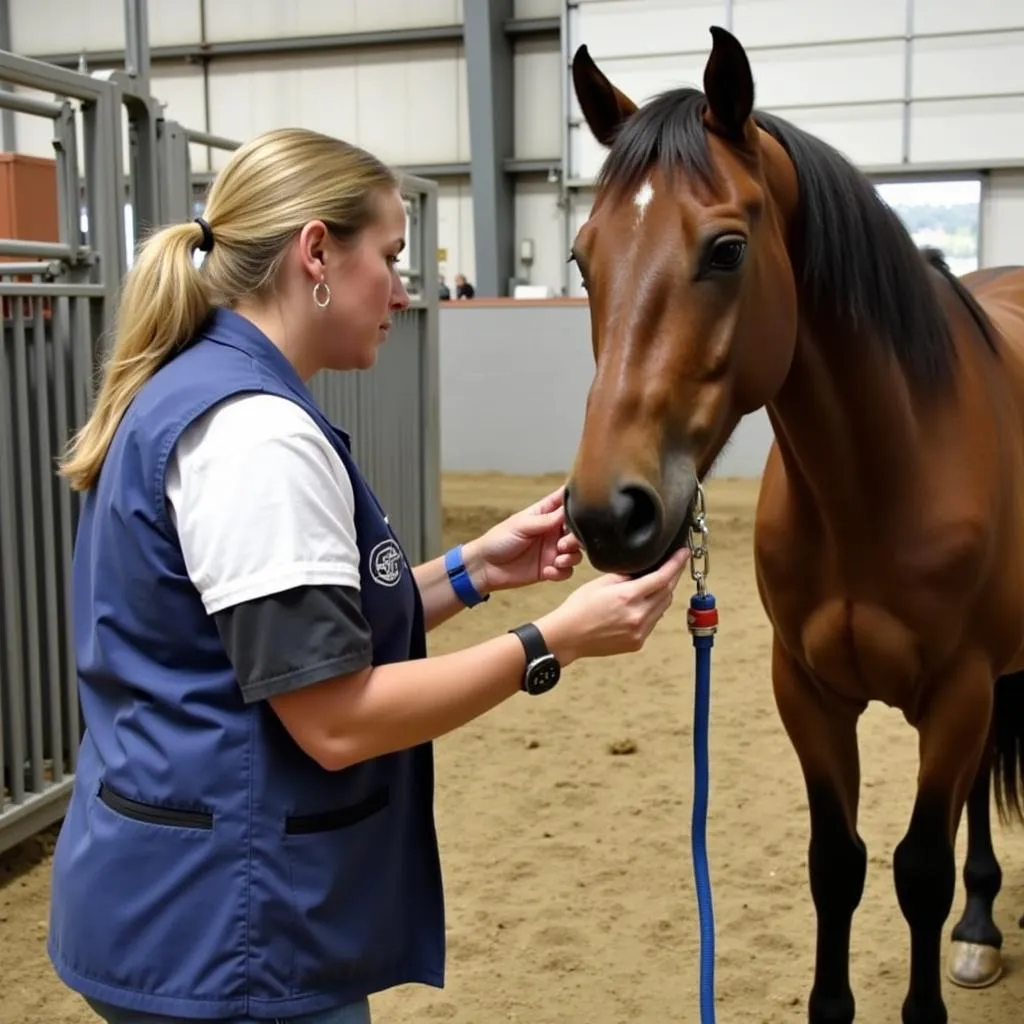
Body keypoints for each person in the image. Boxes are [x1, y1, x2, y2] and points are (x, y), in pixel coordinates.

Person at [47, 126, 690, 1024]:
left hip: (181, 906)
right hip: (231, 937)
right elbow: (335, 719)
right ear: (317, 251)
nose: (402, 288)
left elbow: (289, 640)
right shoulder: (255, 436)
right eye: (389, 256)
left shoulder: (210, 391)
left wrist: (473, 571)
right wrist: (556, 641)